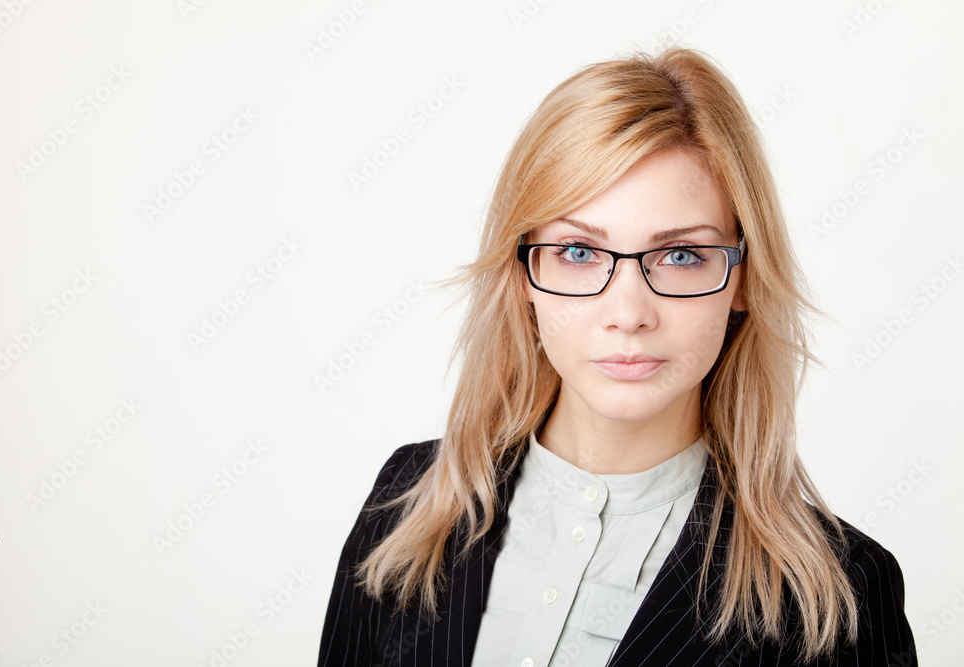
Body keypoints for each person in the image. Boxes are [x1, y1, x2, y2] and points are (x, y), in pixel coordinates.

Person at [317, 47, 917, 666]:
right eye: (579, 252)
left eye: (681, 255)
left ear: (743, 279)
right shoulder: (407, 499)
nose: (628, 313)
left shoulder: (841, 595)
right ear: (523, 271)